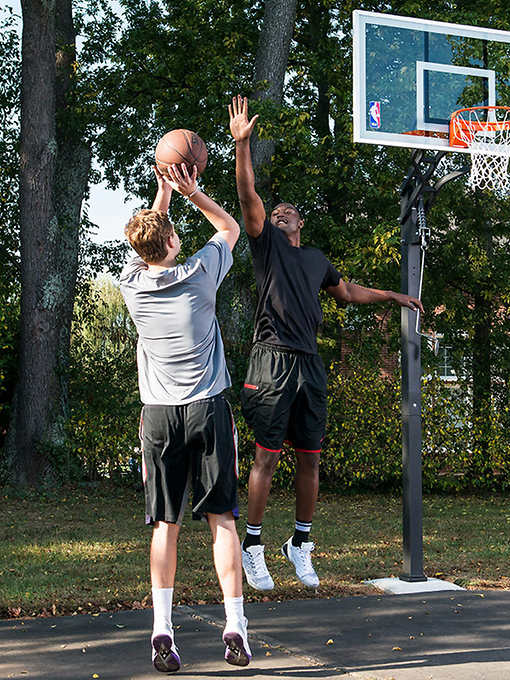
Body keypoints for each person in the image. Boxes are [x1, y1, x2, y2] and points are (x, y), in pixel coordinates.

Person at [228, 95, 424, 591]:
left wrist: (394, 294)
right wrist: (242, 146)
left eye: (289, 211)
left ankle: (300, 542)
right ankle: (252, 544)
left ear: (301, 224)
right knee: (267, 457)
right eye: (276, 212)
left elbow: (348, 292)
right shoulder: (265, 245)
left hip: (309, 364)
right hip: (271, 360)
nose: (281, 212)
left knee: (311, 457)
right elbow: (249, 195)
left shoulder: (315, 258)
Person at [120, 163, 251, 672]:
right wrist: (190, 192)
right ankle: (235, 624)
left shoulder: (131, 284)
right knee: (222, 520)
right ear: (175, 242)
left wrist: (160, 195)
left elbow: (149, 241)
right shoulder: (199, 273)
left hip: (159, 417)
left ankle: (162, 629)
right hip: (208, 408)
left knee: (165, 526)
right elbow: (230, 228)